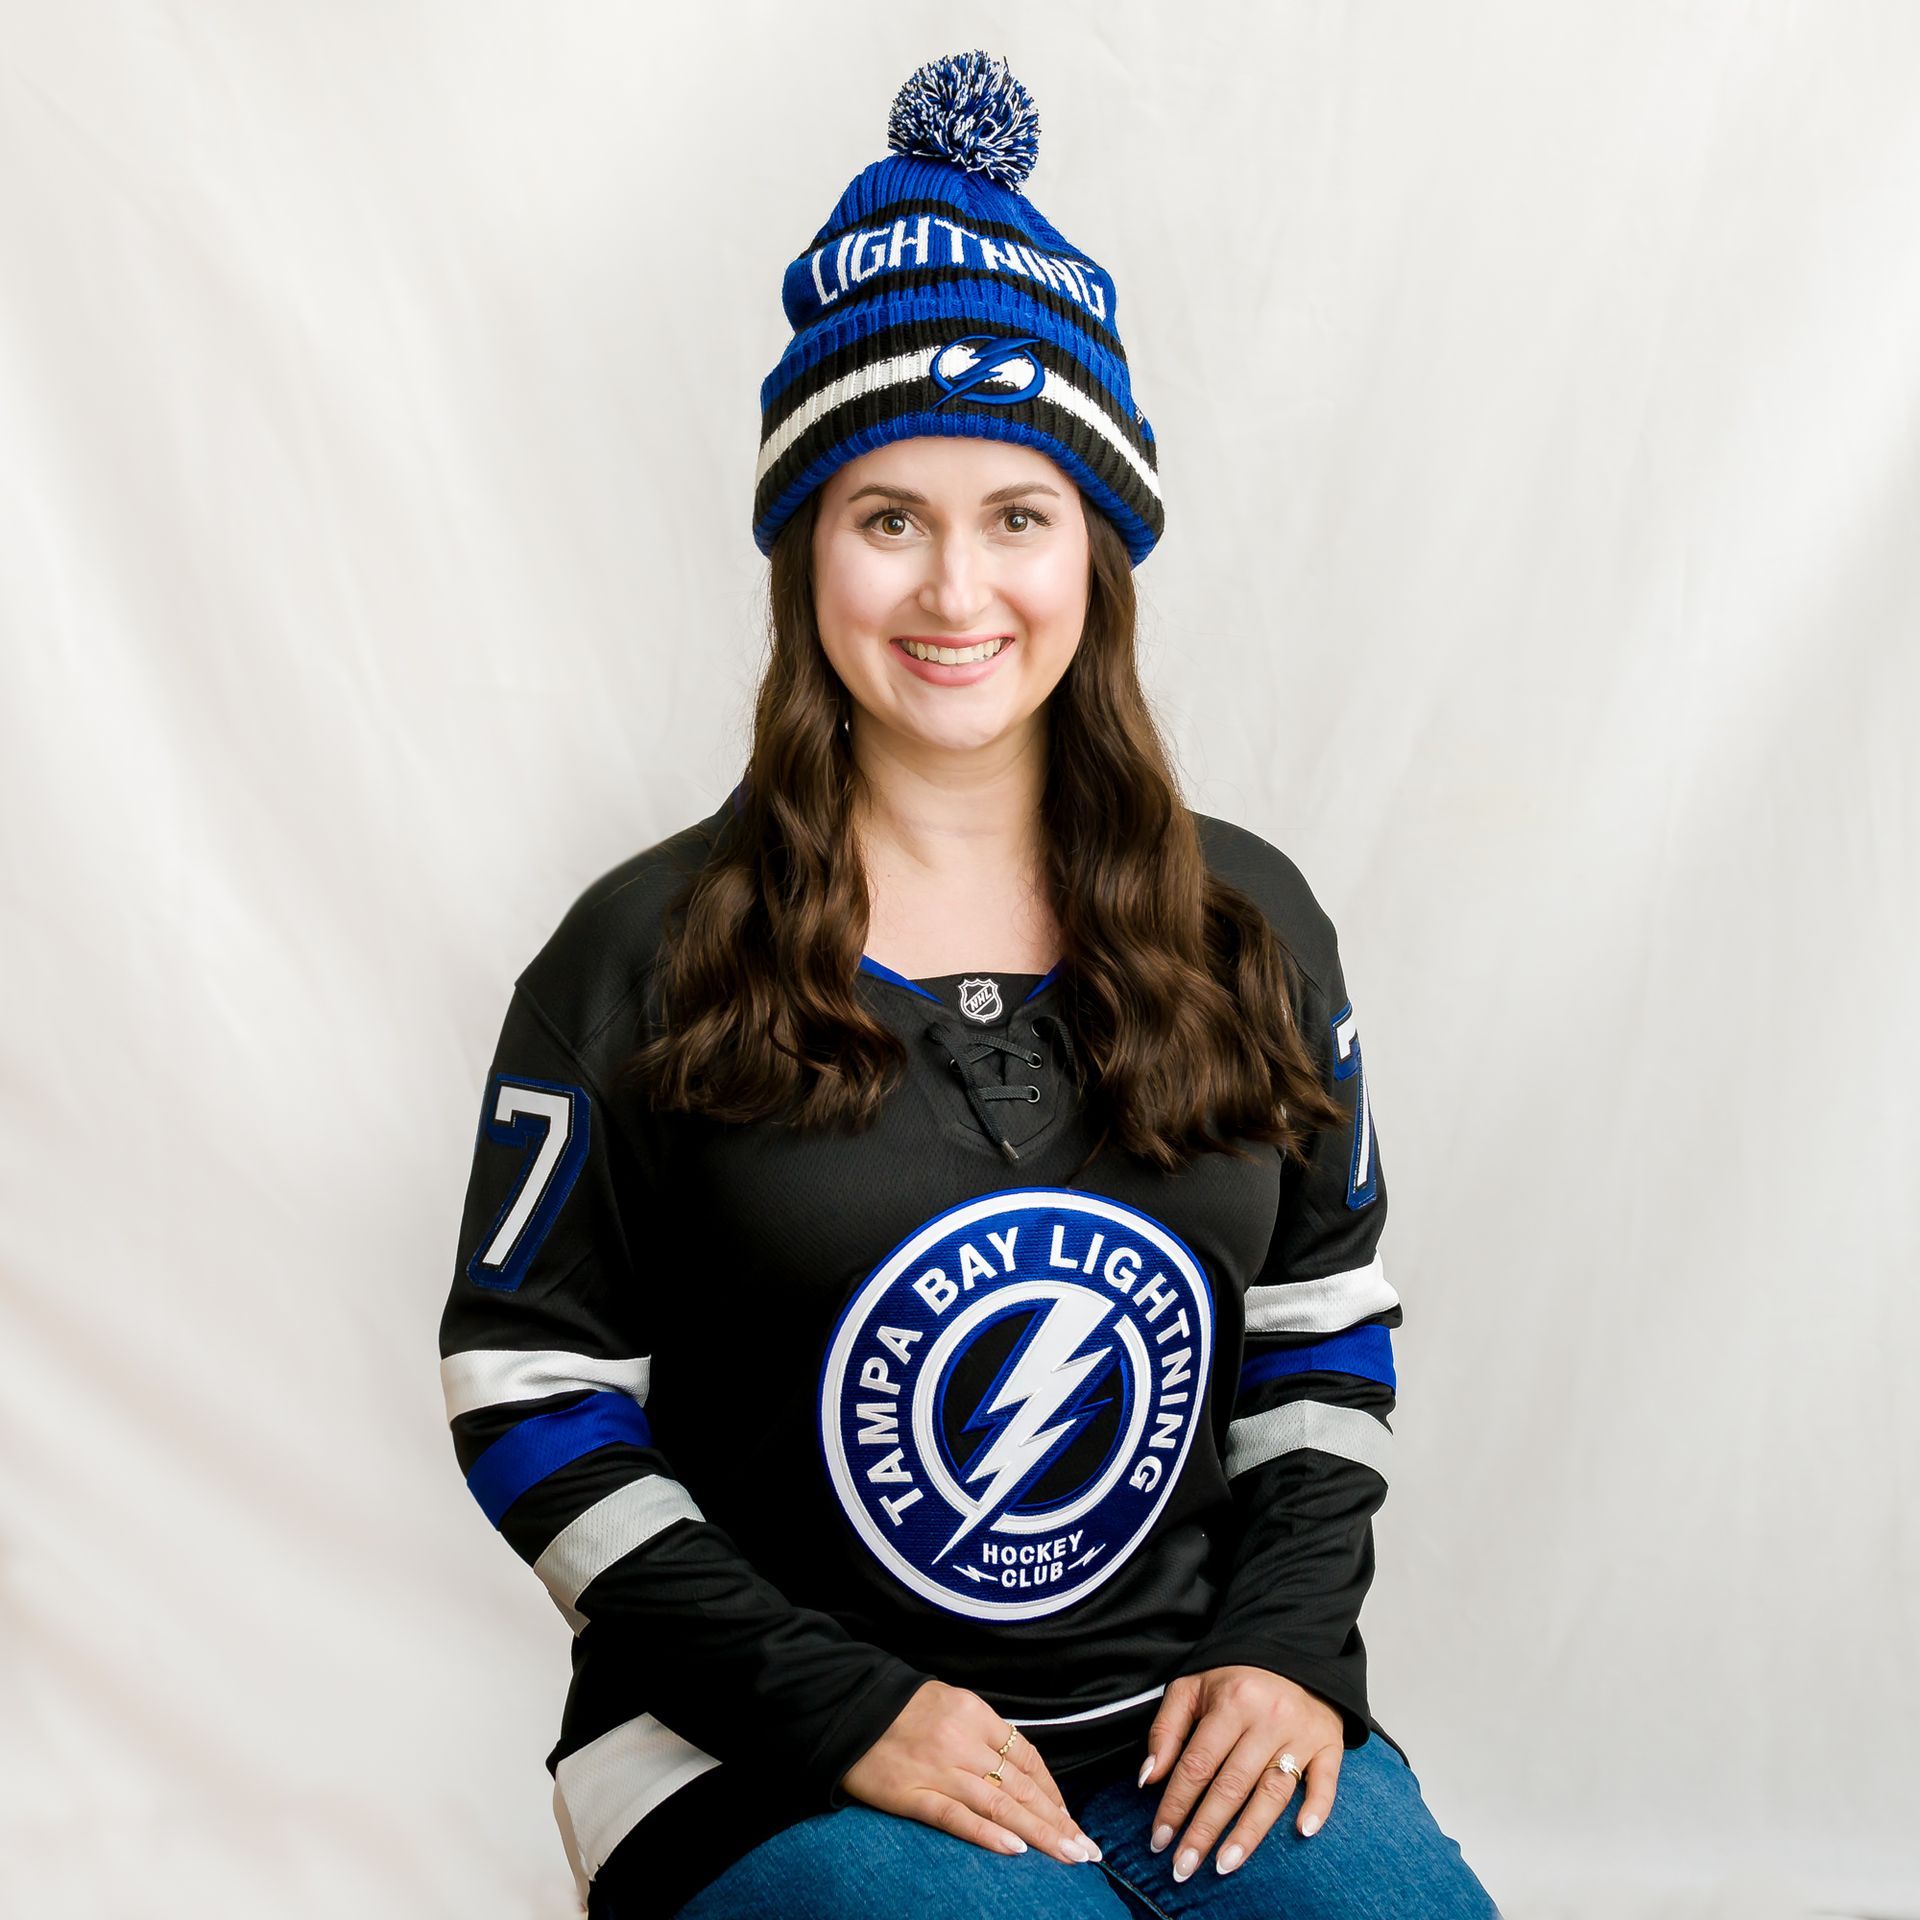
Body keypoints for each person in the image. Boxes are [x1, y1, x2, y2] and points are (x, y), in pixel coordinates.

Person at [437, 48, 1502, 1920]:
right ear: (805, 552)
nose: (955, 590)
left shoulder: (1249, 924)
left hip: (1179, 1708)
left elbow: (1324, 1333)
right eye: (887, 516)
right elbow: (529, 1389)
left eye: (1019, 513)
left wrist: (1285, 1649)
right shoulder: (638, 952)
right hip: (756, 1740)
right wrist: (837, 1707)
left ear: (1097, 545)